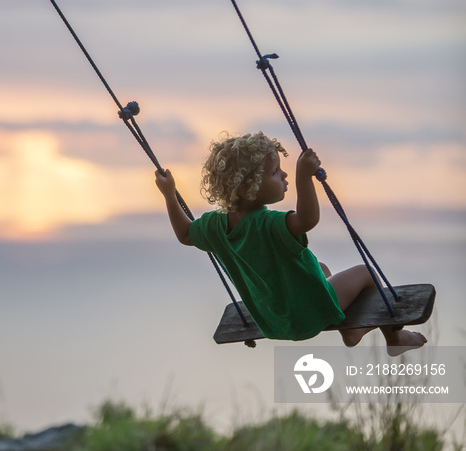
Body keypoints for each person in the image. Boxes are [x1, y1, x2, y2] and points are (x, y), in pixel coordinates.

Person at [155, 131, 427, 355]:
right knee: (366, 273)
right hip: (308, 313)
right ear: (249, 187)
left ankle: (351, 329)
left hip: (273, 321)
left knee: (320, 267)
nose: (283, 176)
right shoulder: (269, 224)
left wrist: (169, 195)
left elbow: (186, 235)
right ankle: (395, 339)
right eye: (276, 172)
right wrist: (303, 176)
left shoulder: (215, 226)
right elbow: (307, 219)